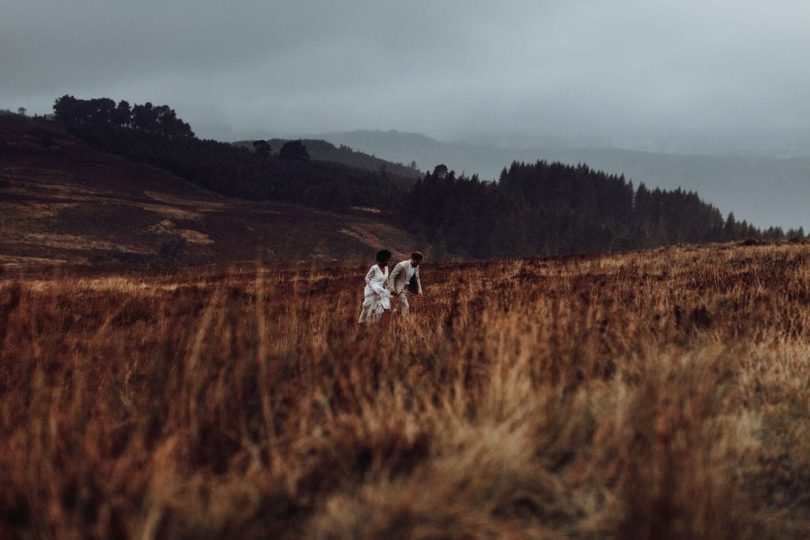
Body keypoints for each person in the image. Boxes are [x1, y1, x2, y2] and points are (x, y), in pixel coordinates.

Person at [358, 249, 393, 324]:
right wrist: (373, 287)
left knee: (380, 307)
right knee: (367, 307)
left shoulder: (386, 268)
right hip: (371, 290)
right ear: (381, 260)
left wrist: (389, 288)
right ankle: (362, 323)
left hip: (381, 291)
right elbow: (367, 278)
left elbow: (385, 280)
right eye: (386, 260)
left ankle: (373, 324)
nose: (388, 262)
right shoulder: (374, 268)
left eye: (388, 260)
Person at [388, 251, 424, 316]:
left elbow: (417, 278)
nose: (419, 264)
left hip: (406, 288)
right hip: (398, 288)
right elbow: (391, 277)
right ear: (413, 259)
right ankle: (405, 322)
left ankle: (391, 317)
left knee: (399, 306)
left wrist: (419, 289)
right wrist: (392, 289)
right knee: (406, 306)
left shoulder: (416, 266)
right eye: (418, 262)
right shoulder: (401, 265)